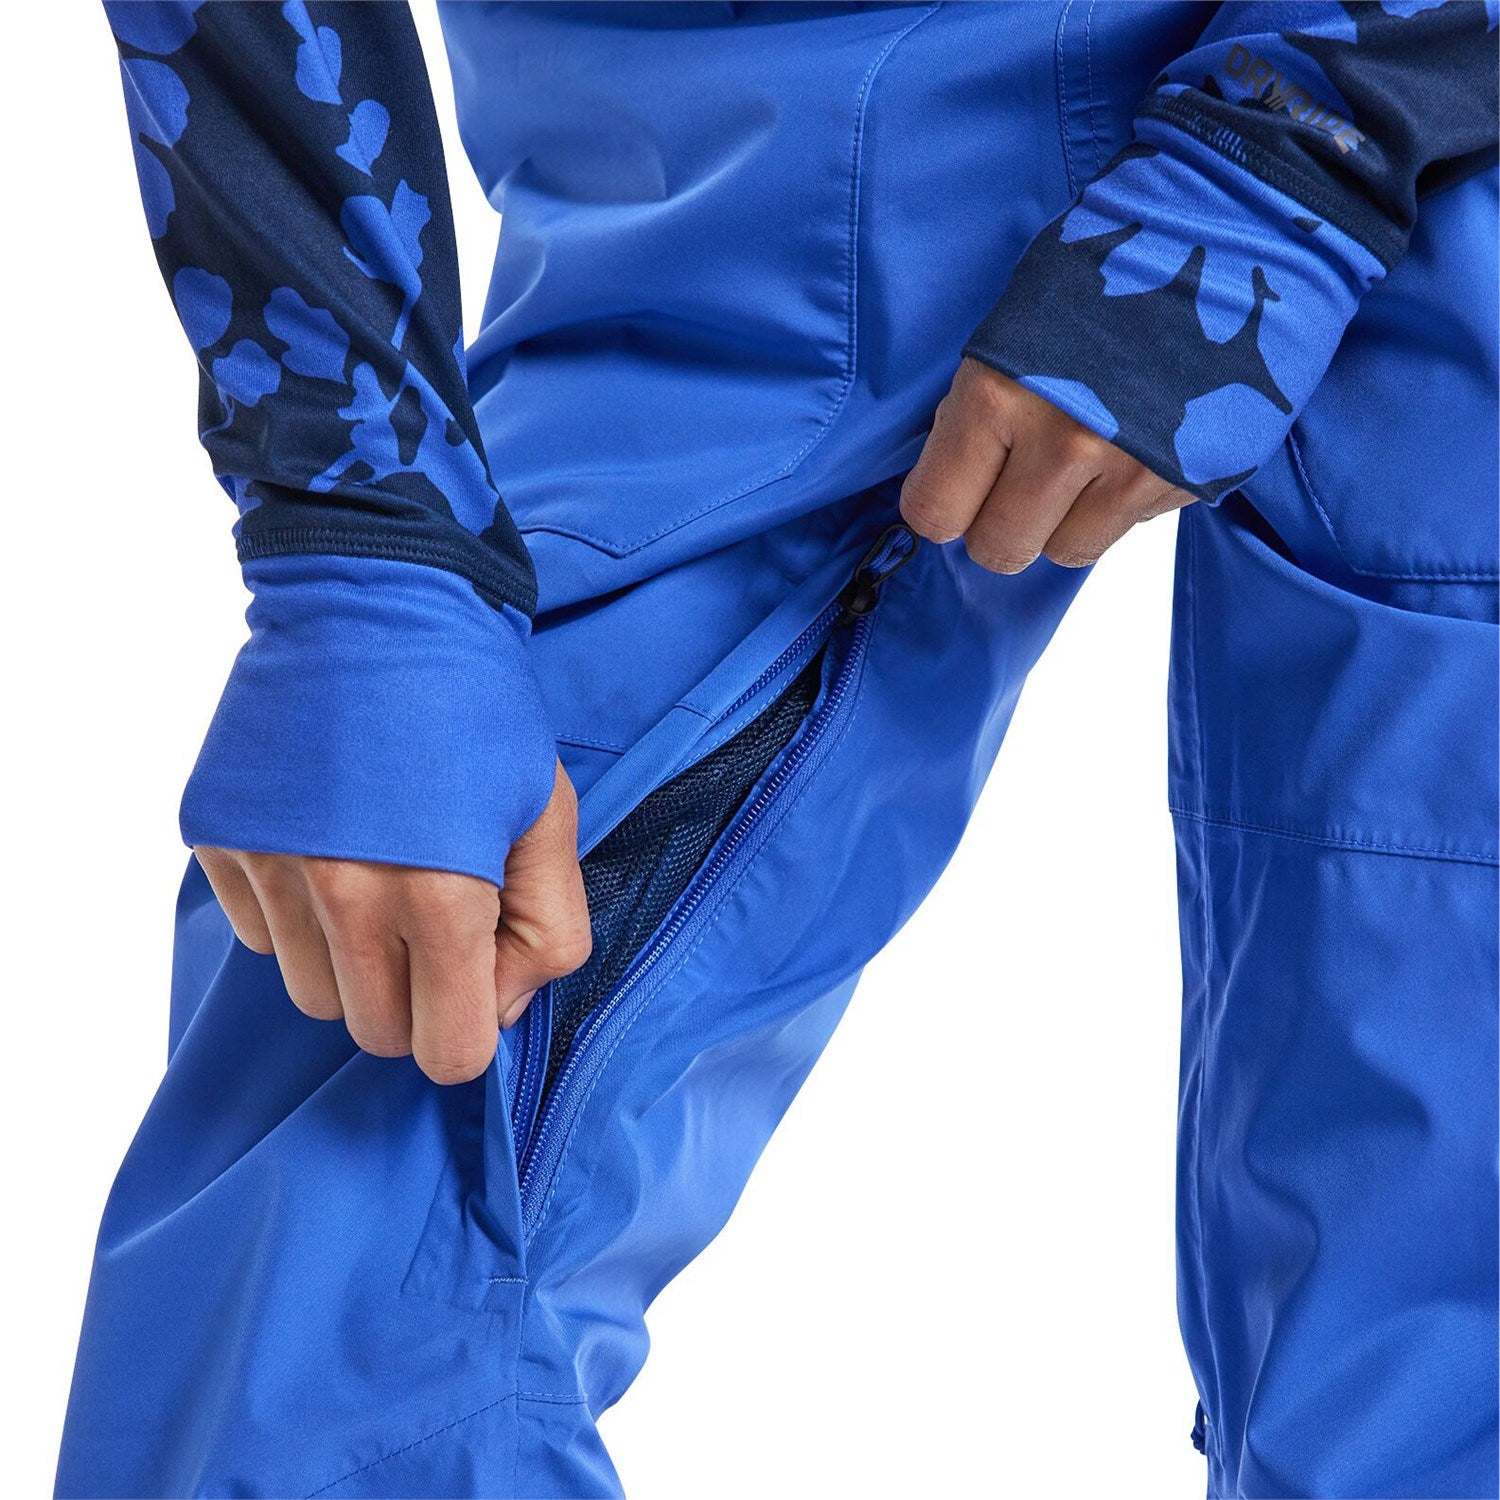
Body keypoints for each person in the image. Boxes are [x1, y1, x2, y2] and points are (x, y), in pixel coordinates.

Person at [58, 3, 1497, 1496]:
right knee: (365, 1177)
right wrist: (362, 535)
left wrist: (1302, 127)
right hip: (768, 116)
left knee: (1446, 1286)